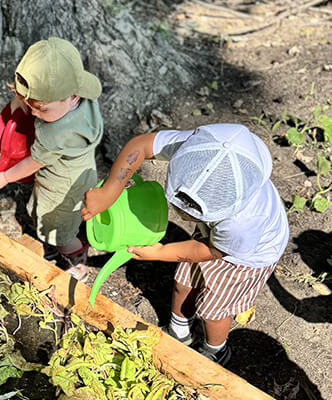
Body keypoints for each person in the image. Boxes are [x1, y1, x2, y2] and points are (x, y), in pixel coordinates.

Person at [81, 123, 289, 366]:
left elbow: (209, 251)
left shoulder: (242, 223)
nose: (179, 213)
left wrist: (159, 253)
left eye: (191, 211)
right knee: (183, 283)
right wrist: (109, 191)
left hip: (244, 257)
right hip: (213, 239)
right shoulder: (202, 149)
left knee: (213, 309)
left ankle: (216, 349)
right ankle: (180, 332)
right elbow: (141, 145)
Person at [0, 38, 103, 280]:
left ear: (72, 96)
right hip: (82, 172)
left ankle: (77, 258)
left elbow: (33, 162)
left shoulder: (56, 134)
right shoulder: (81, 99)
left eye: (41, 108)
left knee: (58, 228)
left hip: (59, 185)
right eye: (31, 105)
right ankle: (65, 237)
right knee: (64, 215)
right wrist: (25, 100)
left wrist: (5, 177)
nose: (33, 113)